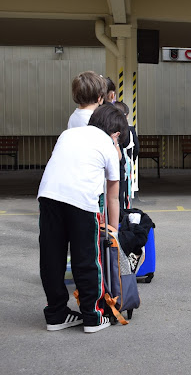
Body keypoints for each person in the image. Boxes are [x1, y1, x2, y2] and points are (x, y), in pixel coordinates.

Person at [38, 102, 128, 333]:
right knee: (86, 258)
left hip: (48, 196)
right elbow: (113, 197)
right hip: (81, 201)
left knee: (52, 257)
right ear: (116, 134)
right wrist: (113, 230)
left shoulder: (67, 134)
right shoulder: (108, 144)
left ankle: (56, 314)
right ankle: (93, 315)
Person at [114, 101, 140, 212]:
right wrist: (132, 160)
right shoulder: (129, 129)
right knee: (125, 193)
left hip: (112, 166)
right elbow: (136, 148)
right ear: (127, 115)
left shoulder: (109, 129)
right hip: (126, 166)